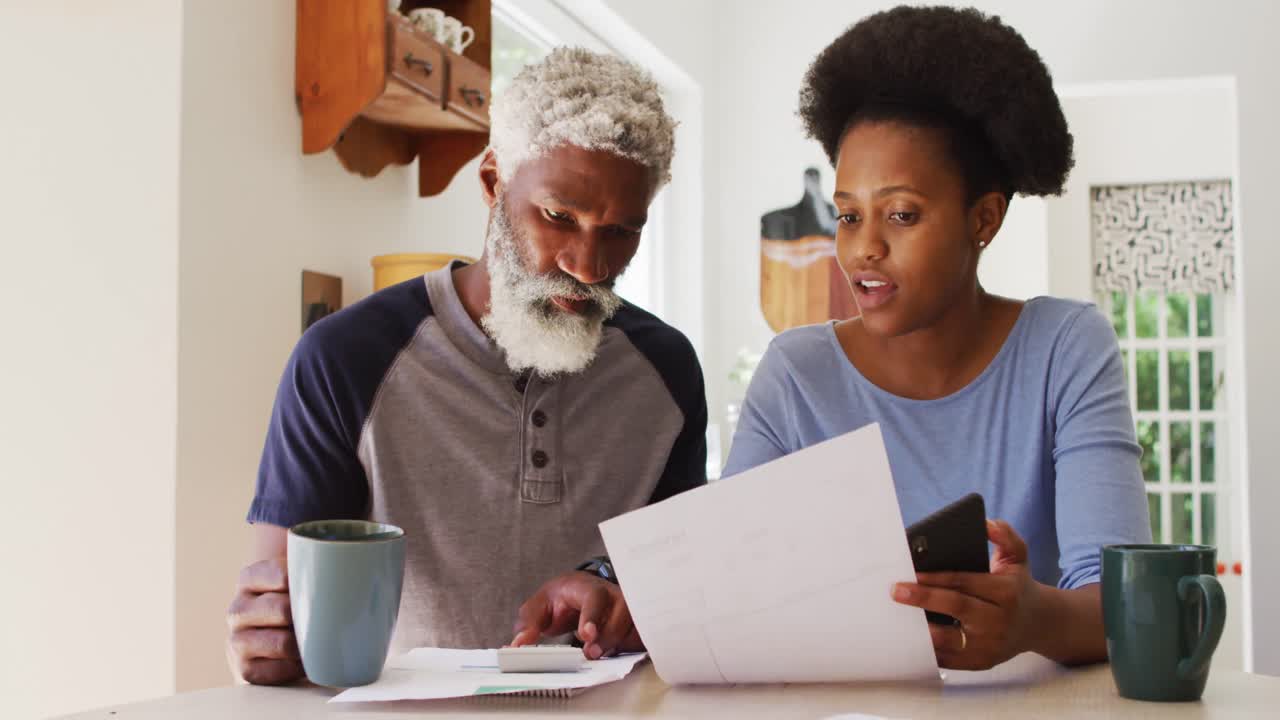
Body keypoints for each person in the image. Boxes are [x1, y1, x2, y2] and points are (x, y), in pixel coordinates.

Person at [226, 47, 706, 685]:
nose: (590, 267)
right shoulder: (345, 358)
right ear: (492, 183)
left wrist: (614, 592)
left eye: (621, 231)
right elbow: (281, 620)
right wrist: (260, 645)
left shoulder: (666, 372)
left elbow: (680, 590)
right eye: (559, 217)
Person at [723, 5, 1150, 670]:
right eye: (847, 215)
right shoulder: (795, 375)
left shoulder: (1065, 348)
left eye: (901, 214)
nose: (863, 248)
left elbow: (1125, 606)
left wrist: (1036, 620)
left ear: (984, 218)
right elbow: (726, 592)